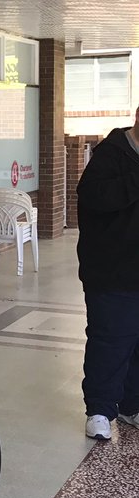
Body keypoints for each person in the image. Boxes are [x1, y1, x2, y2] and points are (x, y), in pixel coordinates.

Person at [76, 105, 139, 441]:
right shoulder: (110, 154)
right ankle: (99, 410)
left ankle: (132, 406)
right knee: (110, 341)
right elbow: (95, 199)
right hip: (112, 271)